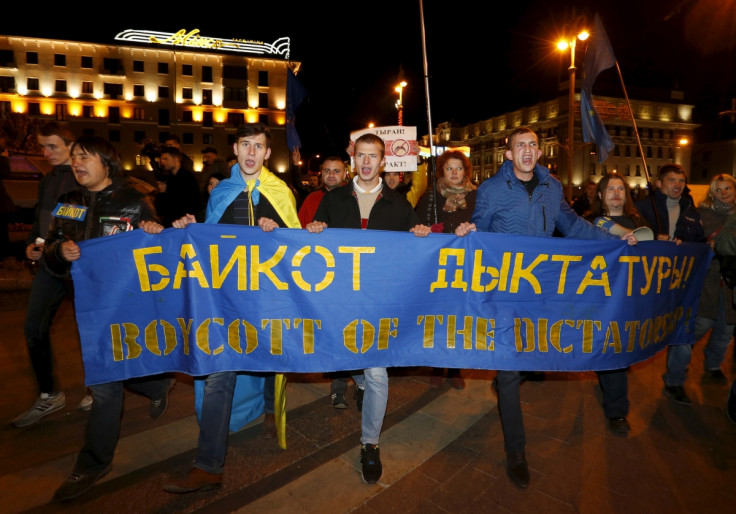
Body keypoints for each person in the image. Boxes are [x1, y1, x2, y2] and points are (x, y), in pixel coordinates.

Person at [454, 127, 636, 489]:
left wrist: (616, 237)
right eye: (520, 145)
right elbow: (480, 233)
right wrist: (466, 232)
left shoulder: (552, 187)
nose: (526, 150)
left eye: (532, 145)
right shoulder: (490, 190)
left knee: (535, 354)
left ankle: (511, 378)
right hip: (504, 290)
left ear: (539, 153)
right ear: (509, 154)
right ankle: (516, 451)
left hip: (542, 289)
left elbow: (573, 227)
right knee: (509, 368)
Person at [163, 123, 300, 494]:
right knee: (219, 372)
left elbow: (300, 248)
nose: (252, 153)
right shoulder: (221, 192)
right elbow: (207, 241)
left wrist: (280, 231)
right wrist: (186, 229)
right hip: (227, 301)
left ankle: (270, 411)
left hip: (270, 299)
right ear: (236, 151)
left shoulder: (280, 191)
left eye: (259, 146)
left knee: (274, 361)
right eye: (245, 145)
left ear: (268, 153)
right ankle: (208, 465)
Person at [49, 136, 174, 502]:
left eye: (85, 158)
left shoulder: (133, 202)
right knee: (114, 374)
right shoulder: (70, 204)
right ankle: (155, 385)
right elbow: (51, 246)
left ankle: (92, 463)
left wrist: (154, 232)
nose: (77, 164)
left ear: (107, 164)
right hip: (88, 308)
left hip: (125, 306)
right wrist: (59, 250)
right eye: (74, 159)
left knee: (104, 383)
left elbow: (158, 245)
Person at [306, 133, 431, 484]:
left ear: (383, 161)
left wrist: (420, 233)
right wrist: (314, 230)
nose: (365, 162)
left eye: (372, 156)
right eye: (360, 155)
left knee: (378, 373)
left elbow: (415, 249)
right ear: (353, 159)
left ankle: (370, 444)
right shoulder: (333, 201)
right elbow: (314, 246)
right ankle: (357, 381)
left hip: (379, 303)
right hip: (341, 301)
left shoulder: (399, 205)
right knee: (347, 359)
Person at [13, 123, 81, 428]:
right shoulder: (48, 179)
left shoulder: (84, 176)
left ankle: (101, 388)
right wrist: (31, 243)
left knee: (91, 331)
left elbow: (77, 222)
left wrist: (55, 242)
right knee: (33, 329)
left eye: (52, 146)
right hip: (50, 267)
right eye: (43, 147)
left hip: (79, 268)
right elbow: (43, 216)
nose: (45, 152)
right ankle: (49, 394)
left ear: (70, 145)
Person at [586, 172, 652, 434]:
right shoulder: (592, 223)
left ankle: (616, 407)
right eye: (610, 189)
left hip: (628, 298)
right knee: (608, 349)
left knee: (616, 352)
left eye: (621, 189)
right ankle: (615, 405)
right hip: (599, 298)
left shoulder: (639, 221)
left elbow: (652, 248)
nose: (616, 193)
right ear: (600, 195)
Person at [637, 164, 706, 404]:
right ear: (659, 183)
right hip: (649, 283)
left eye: (681, 180)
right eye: (671, 180)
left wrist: (685, 242)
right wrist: (654, 240)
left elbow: (699, 240)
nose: (677, 185)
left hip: (680, 284)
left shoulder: (691, 209)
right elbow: (631, 239)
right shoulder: (643, 207)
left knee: (682, 332)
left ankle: (675, 381)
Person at [415, 149, 477, 390]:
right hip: (437, 265)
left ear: (465, 172)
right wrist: (427, 229)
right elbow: (416, 224)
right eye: (449, 168)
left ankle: (455, 367)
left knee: (458, 316)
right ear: (442, 171)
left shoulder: (474, 196)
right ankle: (436, 365)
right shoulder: (431, 196)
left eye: (458, 168)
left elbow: (482, 222)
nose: (454, 172)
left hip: (464, 264)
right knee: (437, 315)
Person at [154, 146, 201, 227]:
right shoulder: (170, 179)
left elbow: (190, 205)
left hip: (182, 225)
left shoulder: (187, 179)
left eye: (166, 159)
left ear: (175, 159)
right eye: (162, 159)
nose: (162, 162)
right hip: (174, 225)